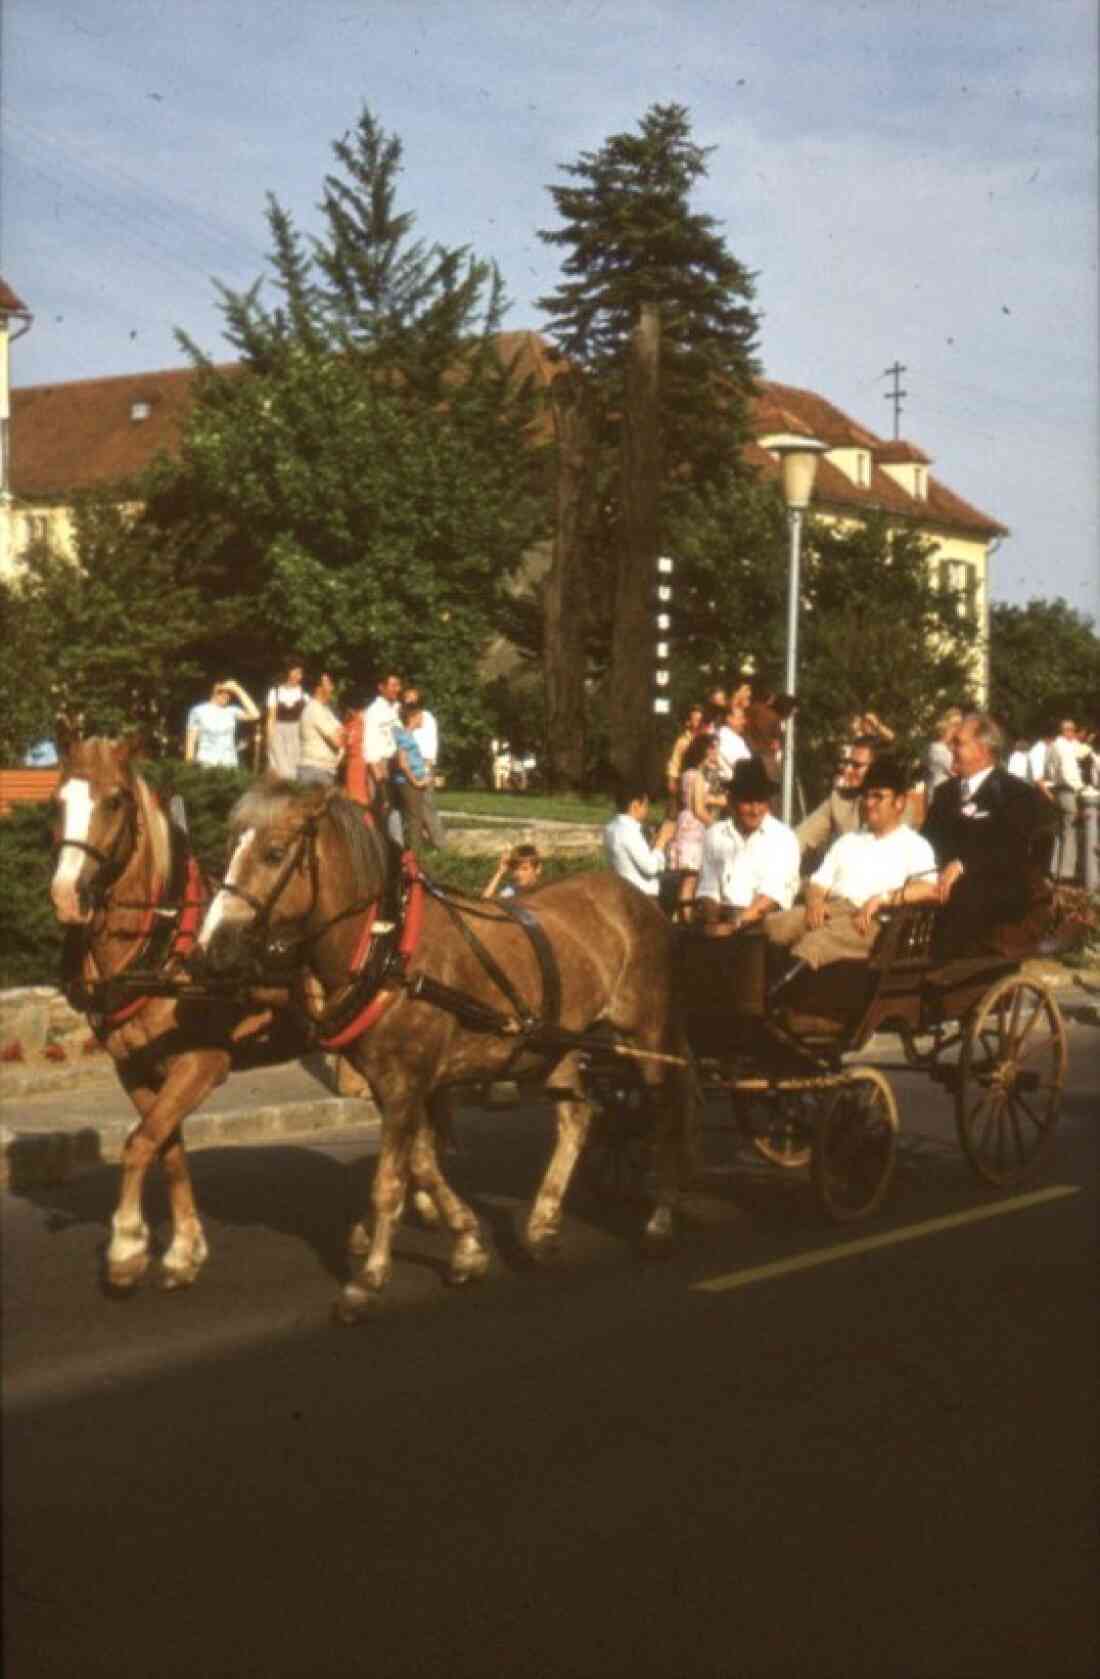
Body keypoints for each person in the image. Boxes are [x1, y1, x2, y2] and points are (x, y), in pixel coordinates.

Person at [765, 758, 937, 975]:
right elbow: (818, 882)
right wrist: (815, 901)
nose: (869, 803)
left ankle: (781, 1002)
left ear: (899, 802)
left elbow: (930, 889)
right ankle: (750, 999)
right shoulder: (848, 841)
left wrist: (883, 899)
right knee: (775, 925)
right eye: (866, 795)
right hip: (833, 909)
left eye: (878, 796)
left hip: (872, 921)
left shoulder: (914, 845)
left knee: (816, 942)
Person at [921, 710, 1056, 954]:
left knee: (961, 898)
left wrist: (963, 864)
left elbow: (1010, 849)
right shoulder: (944, 793)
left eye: (958, 743)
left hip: (995, 887)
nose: (950, 747)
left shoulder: (1015, 794)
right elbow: (925, 843)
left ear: (982, 750)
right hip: (941, 882)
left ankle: (950, 972)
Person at [695, 757, 799, 935]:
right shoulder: (715, 834)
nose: (755, 809)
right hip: (721, 923)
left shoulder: (783, 838)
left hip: (766, 930)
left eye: (761, 801)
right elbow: (708, 889)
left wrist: (733, 927)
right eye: (748, 802)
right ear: (733, 801)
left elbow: (770, 898)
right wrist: (712, 923)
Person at [795, 735, 879, 862]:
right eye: (847, 763)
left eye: (856, 765)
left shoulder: (898, 807)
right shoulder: (838, 799)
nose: (847, 770)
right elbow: (801, 837)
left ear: (877, 768)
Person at [671, 734, 722, 920]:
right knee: (691, 879)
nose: (716, 752)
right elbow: (699, 809)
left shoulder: (687, 774)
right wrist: (715, 826)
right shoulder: (698, 776)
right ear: (705, 751)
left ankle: (679, 914)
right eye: (713, 748)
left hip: (684, 824)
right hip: (693, 829)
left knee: (687, 879)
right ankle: (685, 916)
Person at [604, 785, 675, 898]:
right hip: (642, 896)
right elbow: (650, 868)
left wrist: (654, 843)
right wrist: (662, 841)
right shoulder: (628, 831)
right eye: (645, 805)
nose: (647, 810)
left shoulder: (611, 827)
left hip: (622, 890)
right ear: (635, 805)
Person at [403, 685, 446, 849]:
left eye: (413, 700)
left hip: (422, 766)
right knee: (412, 811)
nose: (410, 702)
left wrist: (425, 773)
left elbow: (429, 750)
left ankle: (441, 845)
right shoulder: (402, 717)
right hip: (406, 767)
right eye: (407, 699)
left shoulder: (426, 718)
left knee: (427, 807)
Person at [390, 699, 435, 853]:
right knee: (415, 820)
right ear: (413, 717)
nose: (423, 719)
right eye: (420, 716)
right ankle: (415, 857)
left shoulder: (406, 735)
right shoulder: (405, 737)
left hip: (412, 781)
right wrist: (416, 782)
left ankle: (414, 853)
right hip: (409, 784)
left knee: (414, 819)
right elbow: (402, 763)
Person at [185, 679, 259, 768]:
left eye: (229, 693)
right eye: (221, 692)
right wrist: (188, 766)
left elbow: (255, 714)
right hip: (206, 763)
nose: (225, 695)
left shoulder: (232, 711)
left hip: (229, 764)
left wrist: (238, 690)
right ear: (212, 691)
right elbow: (191, 742)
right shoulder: (198, 711)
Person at [1045, 718, 1084, 881]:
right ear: (1067, 731)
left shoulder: (1054, 746)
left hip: (1057, 791)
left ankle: (1054, 868)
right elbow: (1069, 773)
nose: (1074, 734)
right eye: (1072, 730)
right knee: (1070, 831)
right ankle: (1066, 872)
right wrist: (1080, 788)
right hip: (1068, 791)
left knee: (1059, 832)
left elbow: (1048, 769)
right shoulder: (1065, 749)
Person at [362, 670, 402, 813]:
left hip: (397, 763)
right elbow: (369, 746)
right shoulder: (373, 711)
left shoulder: (397, 708)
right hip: (381, 765)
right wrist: (378, 775)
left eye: (398, 685)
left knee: (397, 809)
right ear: (381, 687)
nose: (397, 689)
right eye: (393, 685)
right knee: (382, 809)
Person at [297, 672, 345, 786]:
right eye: (328, 684)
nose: (332, 688)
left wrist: (341, 734)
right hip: (315, 772)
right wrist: (340, 734)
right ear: (318, 689)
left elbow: (343, 732)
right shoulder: (315, 709)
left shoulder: (326, 710)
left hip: (324, 771)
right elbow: (337, 741)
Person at [265, 658, 307, 778]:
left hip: (297, 734)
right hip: (278, 733)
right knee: (279, 769)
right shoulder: (275, 692)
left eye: (300, 673)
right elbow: (271, 718)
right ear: (288, 672)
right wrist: (269, 740)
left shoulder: (304, 694)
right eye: (295, 672)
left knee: (295, 770)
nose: (297, 676)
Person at [665, 704, 705, 812]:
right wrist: (671, 780)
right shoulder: (683, 741)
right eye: (696, 720)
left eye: (701, 720)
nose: (699, 723)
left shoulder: (706, 740)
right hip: (686, 782)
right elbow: (675, 761)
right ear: (688, 722)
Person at [925, 707, 962, 793]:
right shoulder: (937, 749)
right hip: (938, 801)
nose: (959, 728)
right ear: (945, 725)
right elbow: (957, 773)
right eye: (955, 725)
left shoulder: (953, 749)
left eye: (961, 725)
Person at [716, 701, 752, 783]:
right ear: (729, 718)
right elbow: (740, 765)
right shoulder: (724, 737)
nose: (744, 722)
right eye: (740, 718)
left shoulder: (736, 738)